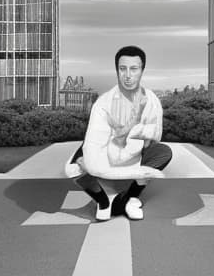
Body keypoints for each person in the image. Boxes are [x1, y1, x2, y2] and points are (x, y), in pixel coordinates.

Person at [65, 45, 172, 221]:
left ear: (142, 70)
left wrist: (134, 131)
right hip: (107, 154)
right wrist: (90, 162)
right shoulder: (103, 103)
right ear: (117, 70)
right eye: (123, 69)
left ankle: (130, 197)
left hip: (134, 154)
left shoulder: (152, 100)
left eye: (134, 69)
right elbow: (95, 140)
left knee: (163, 152)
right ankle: (103, 201)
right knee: (73, 166)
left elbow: (155, 136)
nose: (128, 75)